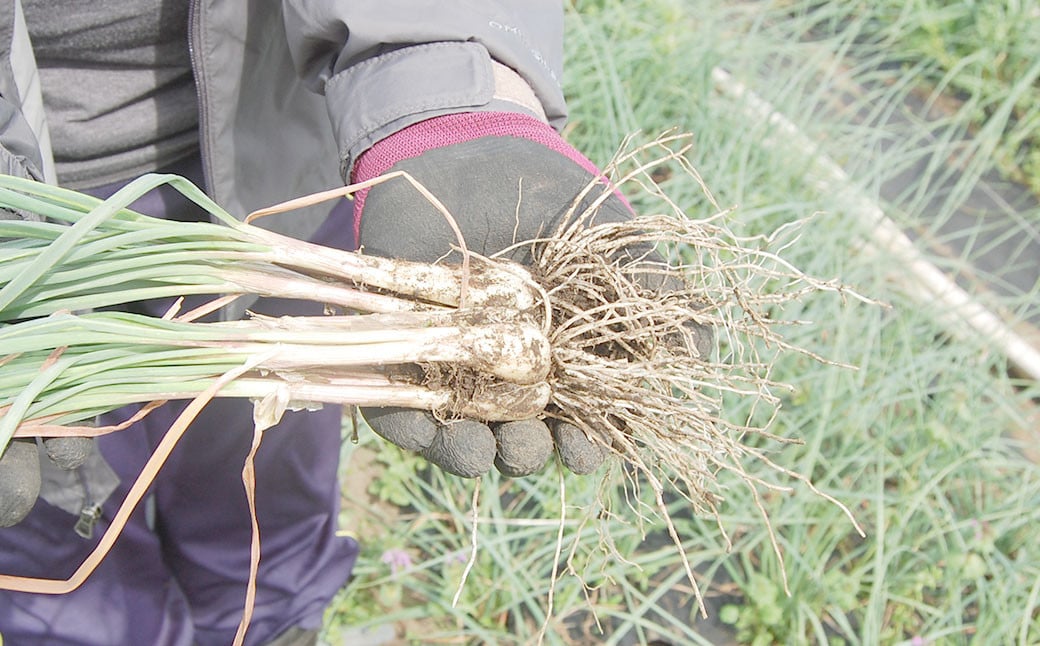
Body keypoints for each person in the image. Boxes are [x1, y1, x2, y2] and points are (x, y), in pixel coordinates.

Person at [0, 2, 627, 644]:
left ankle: (275, 625)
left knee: (267, 489)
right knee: (62, 525)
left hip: (276, 156)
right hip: (32, 229)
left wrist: (447, 94)